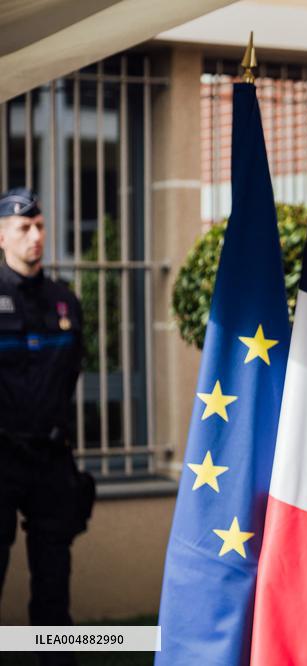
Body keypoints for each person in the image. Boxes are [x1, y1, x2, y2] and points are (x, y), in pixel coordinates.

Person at [0, 188, 92, 666]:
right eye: (23, 228)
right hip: (1, 460)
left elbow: (71, 373)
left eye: (39, 226)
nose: (35, 236)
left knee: (54, 585)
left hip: (52, 459)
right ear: (1, 235)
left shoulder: (65, 301)